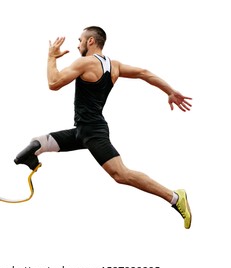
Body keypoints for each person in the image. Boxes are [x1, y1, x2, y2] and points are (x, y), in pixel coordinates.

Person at [14, 26, 192, 229]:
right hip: (84, 131)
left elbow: (53, 83)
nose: (78, 44)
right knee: (39, 142)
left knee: (121, 174)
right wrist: (169, 90)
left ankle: (175, 197)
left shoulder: (85, 62)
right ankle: (29, 156)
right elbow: (144, 73)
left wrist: (51, 57)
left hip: (92, 131)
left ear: (91, 41)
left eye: (80, 40)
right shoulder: (113, 65)